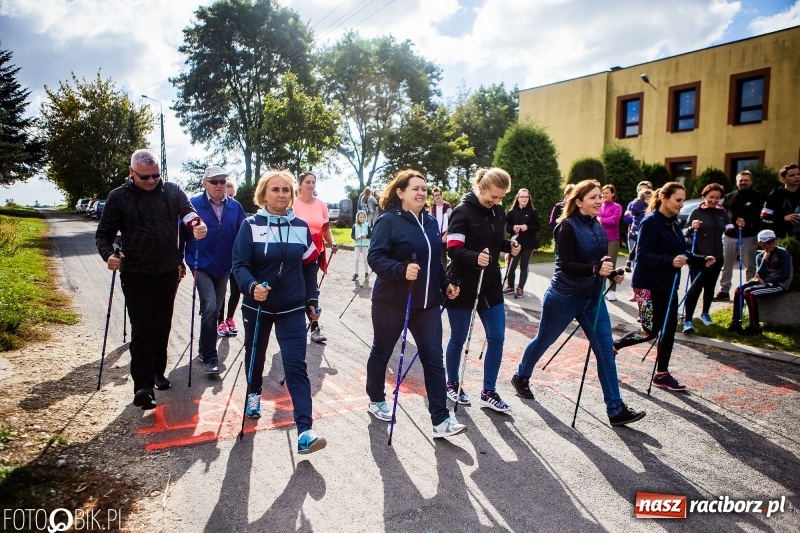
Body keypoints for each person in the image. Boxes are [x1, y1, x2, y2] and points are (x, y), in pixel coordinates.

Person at [509, 180, 646, 426]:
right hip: (564, 296)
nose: (598, 201)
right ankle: (521, 376)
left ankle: (615, 410)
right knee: (544, 340)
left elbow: (600, 258)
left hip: (593, 299)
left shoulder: (598, 225)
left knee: (605, 352)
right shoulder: (566, 227)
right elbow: (566, 265)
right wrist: (595, 269)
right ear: (579, 201)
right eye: (593, 197)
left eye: (599, 197)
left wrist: (610, 271)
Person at [96, 149, 208, 410]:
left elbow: (190, 214)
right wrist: (108, 255)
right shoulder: (119, 197)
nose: (151, 181)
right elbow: (103, 235)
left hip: (167, 272)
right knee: (143, 327)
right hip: (135, 273)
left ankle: (158, 371)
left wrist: (197, 226)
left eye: (156, 176)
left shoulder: (171, 191)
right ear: (131, 173)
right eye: (145, 177)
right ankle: (143, 386)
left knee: (162, 326)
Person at [365, 169, 466, 439]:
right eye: (415, 188)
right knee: (382, 351)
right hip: (392, 302)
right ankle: (376, 400)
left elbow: (437, 262)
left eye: (424, 188)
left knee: (434, 359)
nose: (421, 192)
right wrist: (400, 269)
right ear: (400, 193)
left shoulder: (431, 222)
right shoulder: (388, 221)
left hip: (428, 304)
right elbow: (375, 258)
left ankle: (441, 420)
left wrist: (446, 284)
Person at [232, 170, 326, 455]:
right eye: (276, 189)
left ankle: (305, 432)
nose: (282, 194)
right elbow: (239, 264)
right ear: (264, 194)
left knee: (296, 365)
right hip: (258, 305)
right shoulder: (250, 225)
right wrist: (250, 287)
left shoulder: (300, 226)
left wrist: (312, 297)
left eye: (286, 190)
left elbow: (310, 263)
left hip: (291, 307)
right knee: (256, 356)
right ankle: (254, 393)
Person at [614, 182, 715, 392]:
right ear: (664, 198)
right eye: (678, 200)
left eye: (683, 200)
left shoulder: (673, 223)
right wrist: (669, 261)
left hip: (668, 284)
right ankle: (614, 346)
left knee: (669, 330)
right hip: (647, 285)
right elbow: (642, 255)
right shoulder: (650, 222)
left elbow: (681, 252)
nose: (681, 204)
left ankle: (661, 374)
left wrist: (700, 259)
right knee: (649, 331)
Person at [445, 167, 521, 412]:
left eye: (501, 197)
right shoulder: (462, 212)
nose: (496, 201)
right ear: (481, 187)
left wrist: (509, 245)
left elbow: (494, 243)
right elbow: (454, 249)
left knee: (497, 336)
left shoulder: (498, 212)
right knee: (459, 337)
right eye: (493, 196)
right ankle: (452, 383)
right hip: (462, 282)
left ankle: (489, 391)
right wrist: (474, 257)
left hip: (489, 283)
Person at [182, 166, 247, 375]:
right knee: (210, 306)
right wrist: (178, 260)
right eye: (214, 181)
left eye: (222, 181)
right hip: (200, 263)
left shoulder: (235, 207)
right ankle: (210, 357)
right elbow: (180, 232)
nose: (220, 185)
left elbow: (243, 236)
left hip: (224, 266)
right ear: (205, 183)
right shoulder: (193, 205)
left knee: (215, 309)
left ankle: (203, 349)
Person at [293, 171, 338, 343]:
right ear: (300, 184)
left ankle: (315, 327)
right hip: (295, 253)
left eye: (313, 182)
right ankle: (294, 324)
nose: (311, 185)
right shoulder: (293, 204)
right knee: (297, 288)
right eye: (307, 182)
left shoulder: (321, 205)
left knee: (311, 287)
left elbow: (325, 229)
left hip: (314, 252)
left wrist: (332, 242)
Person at [682, 183, 732, 333]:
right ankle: (688, 320)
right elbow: (685, 232)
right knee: (695, 287)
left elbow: (730, 229)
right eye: (711, 197)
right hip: (700, 257)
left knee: (710, 288)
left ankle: (705, 313)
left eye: (717, 198)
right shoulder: (696, 212)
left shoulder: (722, 212)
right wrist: (692, 227)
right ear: (704, 196)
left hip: (717, 257)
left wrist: (738, 227)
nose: (714, 200)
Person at [728, 229, 793, 335]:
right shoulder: (760, 256)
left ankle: (755, 327)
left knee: (749, 293)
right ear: (760, 243)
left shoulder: (783, 253)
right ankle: (736, 322)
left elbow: (785, 275)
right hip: (764, 282)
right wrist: (765, 258)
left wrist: (766, 281)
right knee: (738, 290)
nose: (770, 244)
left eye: (772, 241)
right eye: (766, 242)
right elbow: (759, 275)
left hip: (780, 284)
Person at [716, 170, 765, 301]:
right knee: (726, 265)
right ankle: (724, 291)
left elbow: (762, 217)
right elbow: (723, 215)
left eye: (746, 180)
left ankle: (749, 290)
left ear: (751, 181)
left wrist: (747, 223)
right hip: (729, 236)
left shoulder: (758, 197)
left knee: (750, 265)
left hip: (748, 236)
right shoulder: (729, 196)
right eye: (741, 180)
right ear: (737, 181)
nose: (743, 182)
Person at [217, 178, 243, 336]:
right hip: (222, 257)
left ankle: (230, 318)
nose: (231, 199)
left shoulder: (236, 209)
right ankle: (219, 321)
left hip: (237, 257)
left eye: (233, 195)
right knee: (221, 290)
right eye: (228, 195)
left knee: (237, 290)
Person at [504, 188, 540, 298]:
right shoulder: (511, 212)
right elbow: (507, 227)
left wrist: (527, 227)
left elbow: (537, 227)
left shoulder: (532, 212)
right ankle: (510, 286)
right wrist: (513, 227)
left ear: (529, 198)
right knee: (511, 265)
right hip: (515, 243)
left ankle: (520, 288)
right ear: (518, 198)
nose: (524, 199)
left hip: (528, 244)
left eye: (526, 197)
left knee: (524, 266)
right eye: (522, 196)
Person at [761, 163, 800, 239]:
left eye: (798, 174)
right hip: (781, 237)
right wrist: (783, 218)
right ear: (783, 179)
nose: (797, 177)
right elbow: (764, 218)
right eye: (792, 175)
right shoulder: (775, 195)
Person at [598, 184, 622, 301]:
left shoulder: (617, 207)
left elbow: (614, 220)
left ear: (613, 194)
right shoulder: (600, 206)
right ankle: (601, 290)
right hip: (600, 239)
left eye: (607, 193)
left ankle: (612, 291)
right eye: (603, 193)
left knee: (611, 264)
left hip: (612, 239)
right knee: (602, 264)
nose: (604, 195)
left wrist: (601, 220)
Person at [623, 183, 653, 272]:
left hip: (647, 232)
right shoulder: (634, 204)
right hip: (634, 231)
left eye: (645, 189)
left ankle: (630, 263)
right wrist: (635, 219)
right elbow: (627, 218)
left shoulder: (652, 205)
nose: (642, 191)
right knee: (637, 254)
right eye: (640, 190)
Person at [430, 187, 451, 267]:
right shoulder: (433, 208)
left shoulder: (447, 207)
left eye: (438, 195)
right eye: (435, 195)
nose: (437, 197)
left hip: (445, 236)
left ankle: (444, 274)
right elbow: (430, 221)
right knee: (436, 256)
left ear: (441, 195)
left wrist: (446, 234)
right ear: (433, 197)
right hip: (436, 235)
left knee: (443, 256)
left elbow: (451, 221)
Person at [351, 210, 371, 281]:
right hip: (357, 245)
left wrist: (365, 236)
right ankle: (356, 273)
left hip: (365, 245)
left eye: (363, 217)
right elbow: (352, 235)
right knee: (356, 259)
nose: (362, 218)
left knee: (365, 259)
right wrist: (355, 238)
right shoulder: (355, 226)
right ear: (358, 218)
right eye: (360, 217)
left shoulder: (367, 225)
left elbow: (370, 235)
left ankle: (366, 273)